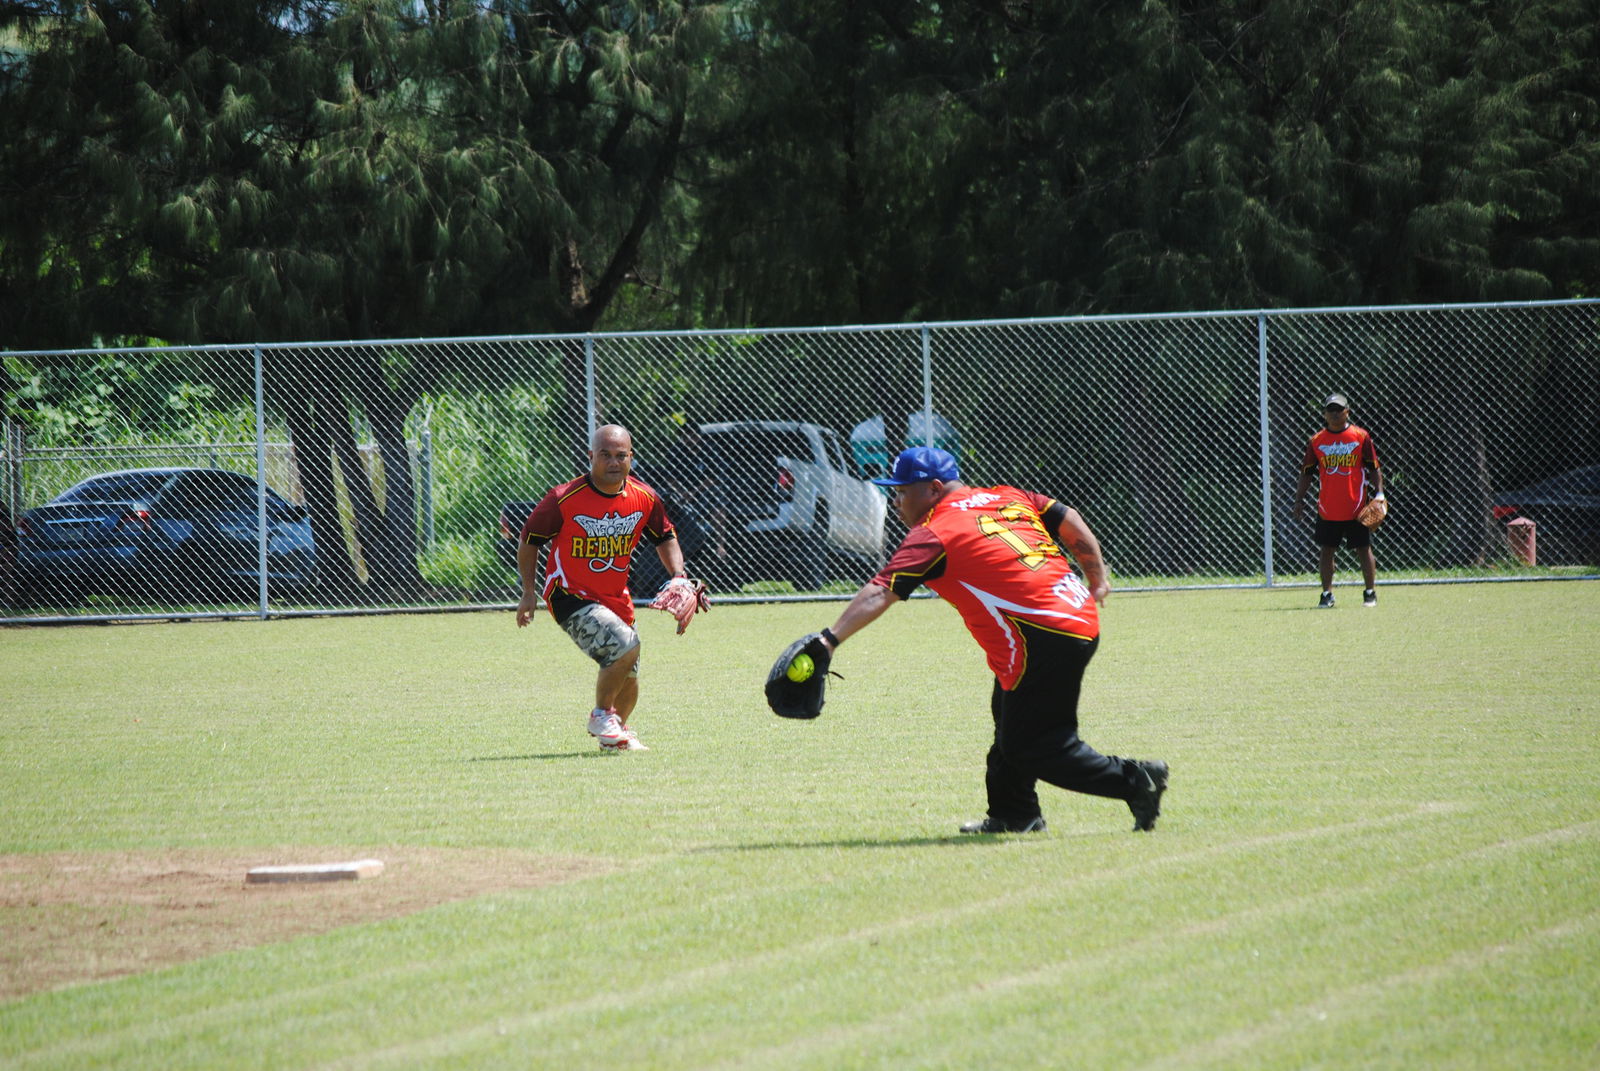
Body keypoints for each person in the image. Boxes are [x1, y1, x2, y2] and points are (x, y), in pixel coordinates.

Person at [812, 446, 1169, 835]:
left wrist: (828, 640)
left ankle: (1135, 781)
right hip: (1071, 616)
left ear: (933, 489)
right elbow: (1070, 519)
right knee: (1009, 717)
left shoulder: (935, 531)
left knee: (1033, 745)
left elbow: (882, 590)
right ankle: (1016, 814)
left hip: (1042, 633)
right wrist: (1096, 578)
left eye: (902, 490)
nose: (895, 500)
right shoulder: (1008, 496)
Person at [515, 424, 692, 751]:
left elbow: (665, 536)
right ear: (591, 457)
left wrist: (679, 575)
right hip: (569, 594)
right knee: (625, 645)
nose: (613, 462)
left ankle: (616, 736)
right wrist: (529, 591)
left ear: (631, 457)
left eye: (621, 456)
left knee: (630, 674)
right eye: (605, 455)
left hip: (615, 597)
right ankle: (600, 715)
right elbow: (529, 541)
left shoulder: (644, 498)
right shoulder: (563, 498)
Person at [1292, 392, 1385, 608]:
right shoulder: (1316, 441)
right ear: (1324, 414)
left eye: (1339, 410)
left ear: (1347, 412)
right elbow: (1307, 473)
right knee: (1327, 549)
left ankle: (1370, 592)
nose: (1334, 414)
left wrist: (1379, 494)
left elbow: (1374, 467)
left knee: (1363, 548)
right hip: (1328, 507)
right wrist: (1299, 500)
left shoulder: (1360, 436)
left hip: (1357, 505)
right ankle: (1327, 594)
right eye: (1330, 410)